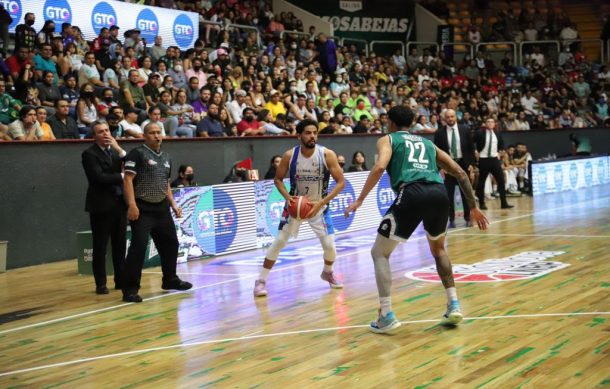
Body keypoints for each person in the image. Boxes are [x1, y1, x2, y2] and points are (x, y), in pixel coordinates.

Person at [344, 106, 489, 334]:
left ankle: (386, 315)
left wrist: (359, 200)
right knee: (439, 250)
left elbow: (380, 166)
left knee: (379, 253)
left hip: (412, 192)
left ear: (390, 122)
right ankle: (453, 304)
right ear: (411, 123)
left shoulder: (388, 140)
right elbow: (460, 172)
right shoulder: (428, 144)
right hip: (439, 194)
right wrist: (473, 207)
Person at [253, 119, 346, 297]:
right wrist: (288, 197)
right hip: (295, 207)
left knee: (330, 246)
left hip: (318, 206)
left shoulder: (327, 155)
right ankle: (261, 281)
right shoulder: (290, 155)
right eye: (308, 133)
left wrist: (321, 202)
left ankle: (327, 272)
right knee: (279, 242)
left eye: (314, 133)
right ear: (299, 136)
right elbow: (278, 179)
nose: (312, 136)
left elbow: (341, 183)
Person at [122, 122, 193, 302]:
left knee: (171, 244)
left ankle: (170, 279)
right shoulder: (137, 154)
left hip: (161, 208)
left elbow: (165, 183)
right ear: (144, 136)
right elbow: (128, 180)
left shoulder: (167, 157)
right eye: (152, 133)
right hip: (142, 208)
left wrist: (173, 204)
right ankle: (130, 289)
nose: (156, 135)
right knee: (138, 247)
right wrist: (131, 204)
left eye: (158, 132)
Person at [81, 121, 127, 294]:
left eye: (107, 130)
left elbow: (131, 164)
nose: (106, 134)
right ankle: (100, 283)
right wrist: (122, 176)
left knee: (120, 245)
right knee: (100, 246)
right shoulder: (89, 154)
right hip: (100, 206)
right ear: (94, 135)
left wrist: (119, 148)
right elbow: (98, 178)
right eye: (101, 131)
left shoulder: (114, 152)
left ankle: (120, 280)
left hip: (119, 204)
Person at [433, 109, 476, 228]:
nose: (450, 119)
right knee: (448, 194)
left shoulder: (465, 130)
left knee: (466, 193)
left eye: (452, 116)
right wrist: (440, 167)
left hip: (463, 164)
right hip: (448, 166)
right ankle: (451, 219)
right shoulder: (439, 133)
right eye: (448, 117)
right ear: (444, 119)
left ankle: (468, 218)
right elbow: (436, 152)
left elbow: (471, 148)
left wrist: (472, 164)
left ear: (456, 117)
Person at [474, 118, 514, 210]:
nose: (490, 123)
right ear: (485, 123)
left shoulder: (498, 133)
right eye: (488, 121)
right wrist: (475, 151)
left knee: (501, 180)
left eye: (492, 122)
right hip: (484, 159)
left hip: (494, 159)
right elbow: (472, 142)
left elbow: (501, 144)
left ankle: (504, 203)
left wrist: (501, 152)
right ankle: (482, 203)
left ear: (494, 124)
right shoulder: (480, 133)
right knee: (481, 182)